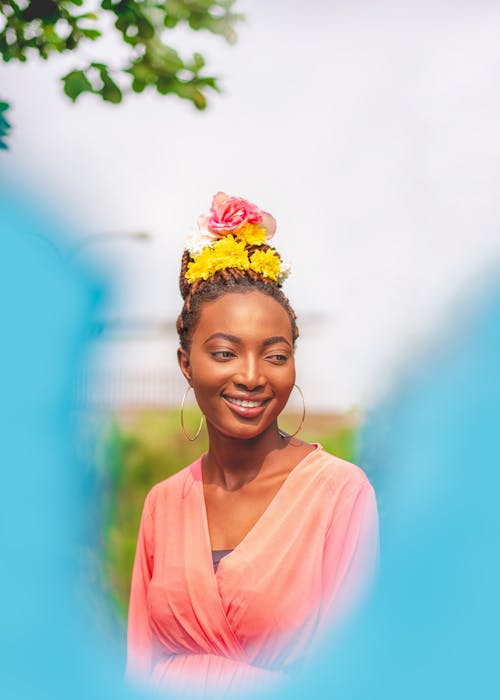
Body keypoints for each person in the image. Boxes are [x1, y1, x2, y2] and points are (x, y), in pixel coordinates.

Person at [126, 192, 379, 698]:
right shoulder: (163, 504)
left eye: (275, 355)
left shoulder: (339, 494)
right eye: (224, 352)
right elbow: (137, 668)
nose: (250, 376)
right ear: (186, 363)